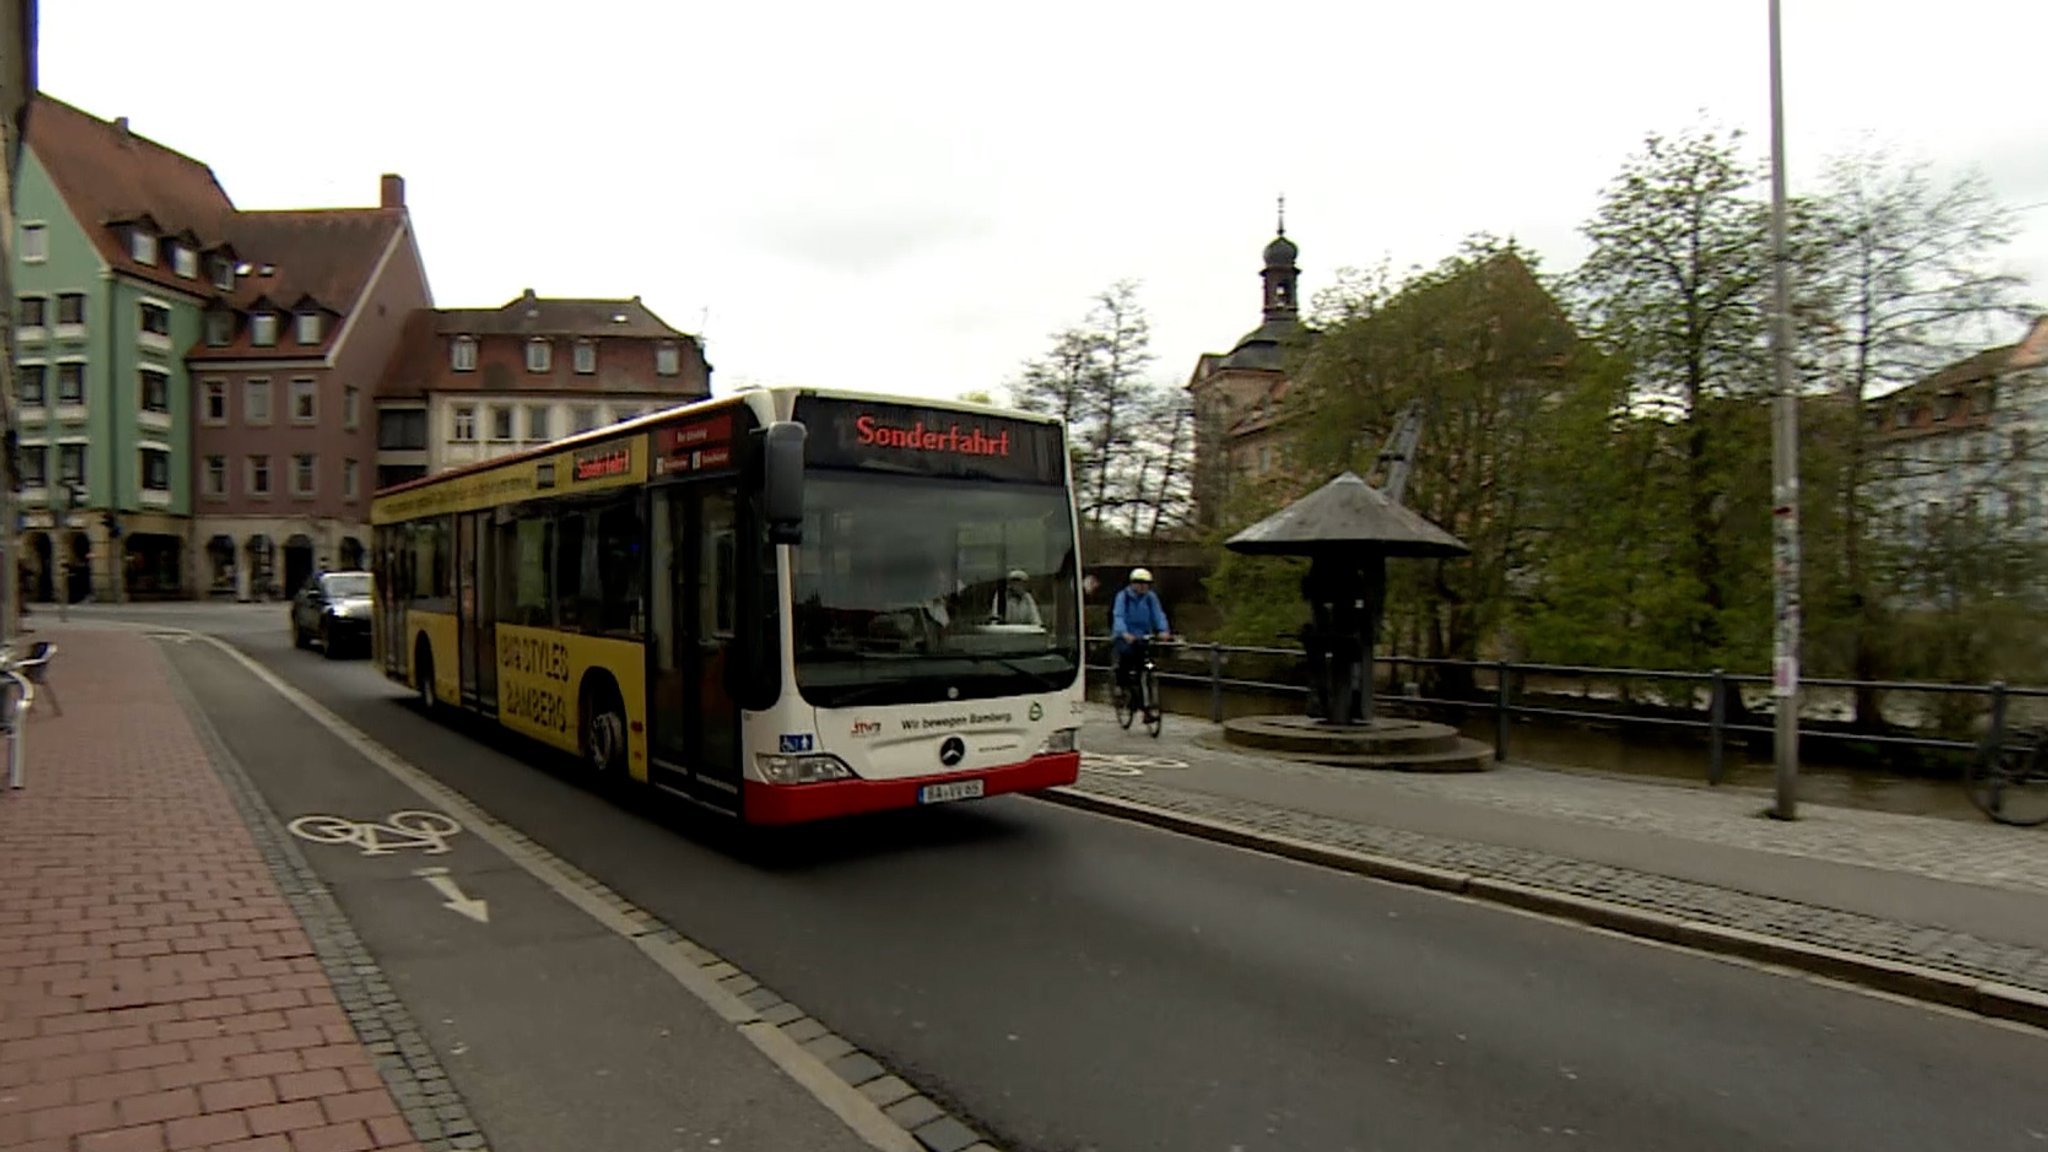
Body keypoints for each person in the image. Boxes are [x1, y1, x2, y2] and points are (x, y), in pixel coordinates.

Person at [1111, 567, 1171, 698]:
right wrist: (1124, 632)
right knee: (1126, 656)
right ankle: (1120, 684)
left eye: (1146, 584)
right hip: (1125, 636)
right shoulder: (1123, 597)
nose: (1144, 587)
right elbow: (1118, 615)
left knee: (1146, 662)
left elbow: (1158, 614)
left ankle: (1147, 678)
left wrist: (1163, 630)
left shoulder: (1150, 598)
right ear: (1133, 584)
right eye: (1141, 584)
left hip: (1143, 636)